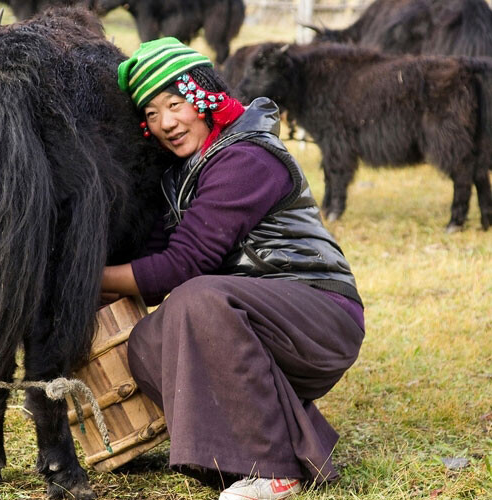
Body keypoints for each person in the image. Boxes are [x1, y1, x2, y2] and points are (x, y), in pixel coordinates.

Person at [100, 37, 365, 500]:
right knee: (147, 341)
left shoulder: (246, 156)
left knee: (196, 298)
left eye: (175, 104)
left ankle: (274, 467)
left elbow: (182, 266)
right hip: (252, 319)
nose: (165, 123)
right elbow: (155, 259)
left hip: (321, 313)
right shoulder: (184, 175)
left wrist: (85, 280)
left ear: (204, 98)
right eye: (151, 114)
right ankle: (234, 456)